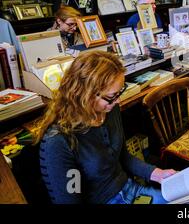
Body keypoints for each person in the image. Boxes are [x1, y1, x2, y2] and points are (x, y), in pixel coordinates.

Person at [36, 51, 177, 204]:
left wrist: (157, 174)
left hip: (130, 189)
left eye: (119, 92)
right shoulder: (59, 141)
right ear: (84, 94)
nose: (118, 101)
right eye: (111, 96)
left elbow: (123, 157)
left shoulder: (109, 110)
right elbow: (71, 199)